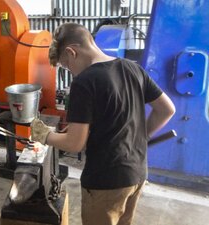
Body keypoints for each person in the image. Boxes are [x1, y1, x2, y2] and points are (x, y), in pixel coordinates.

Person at [31, 23, 175, 225]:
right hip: (137, 173)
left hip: (105, 180)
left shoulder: (84, 82)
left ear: (71, 52)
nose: (71, 72)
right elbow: (167, 109)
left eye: (66, 65)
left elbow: (75, 143)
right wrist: (142, 136)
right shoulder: (133, 68)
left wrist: (44, 135)